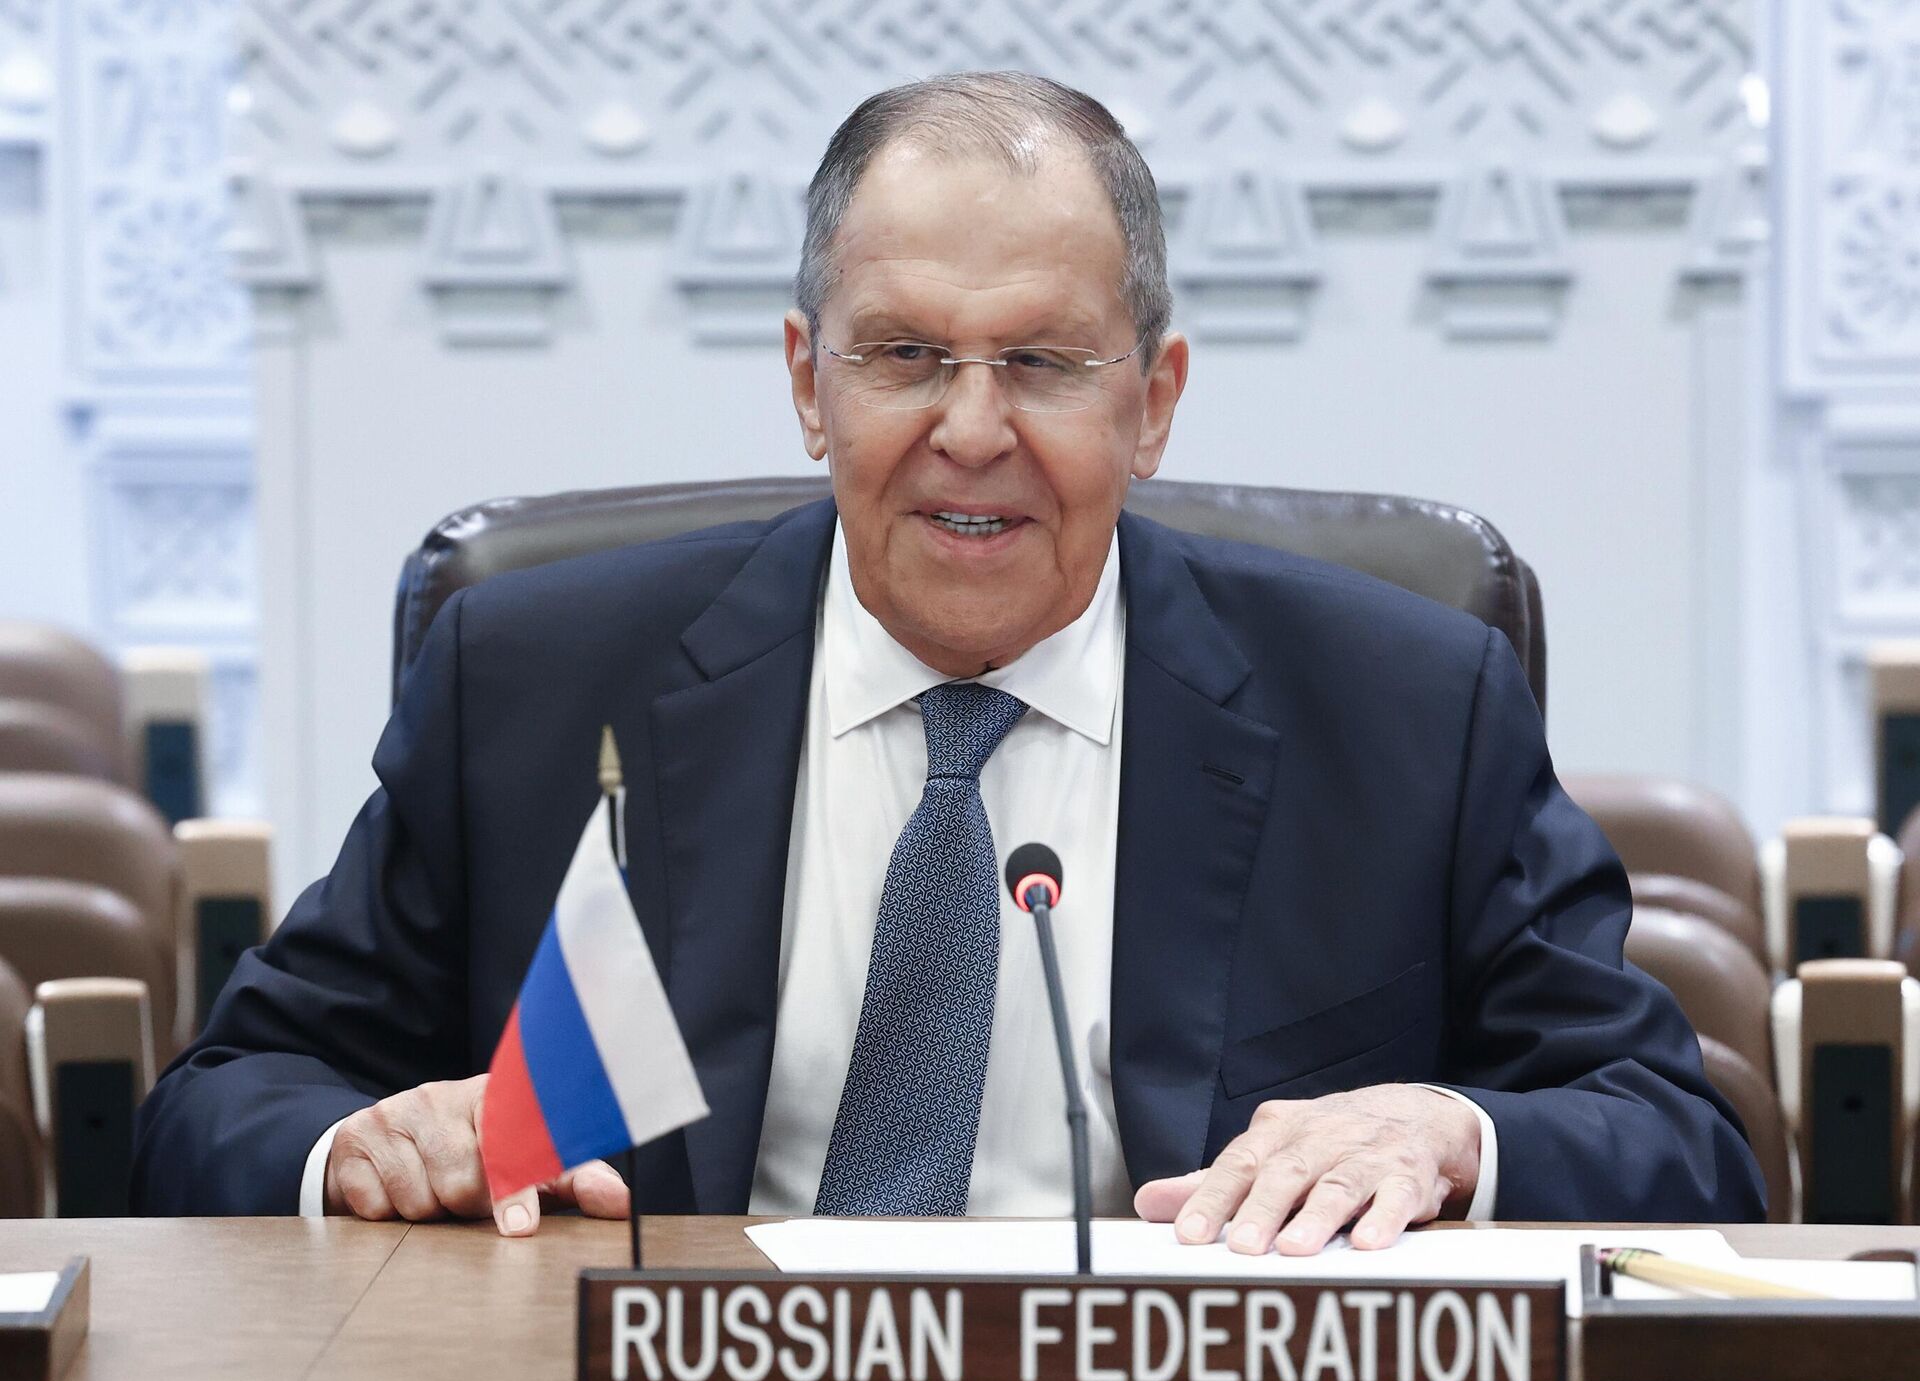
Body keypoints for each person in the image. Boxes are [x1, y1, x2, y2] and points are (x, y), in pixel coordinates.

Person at [132, 71, 1764, 1248]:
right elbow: (226, 1098)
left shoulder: (1407, 709)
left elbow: (1685, 1146)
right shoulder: (538, 685)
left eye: (1042, 363)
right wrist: (364, 1145)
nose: (969, 432)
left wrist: (1446, 1132)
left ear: (1154, 401)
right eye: (905, 355)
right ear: (808, 382)